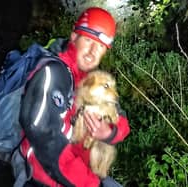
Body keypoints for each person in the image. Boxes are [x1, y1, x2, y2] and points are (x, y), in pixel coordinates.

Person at [11, 7, 130, 187]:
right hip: (43, 178)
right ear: (74, 36)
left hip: (80, 172)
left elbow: (119, 115)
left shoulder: (91, 78)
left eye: (100, 46)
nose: (92, 52)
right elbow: (44, 138)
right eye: (89, 40)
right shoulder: (52, 74)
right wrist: (89, 184)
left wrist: (110, 131)